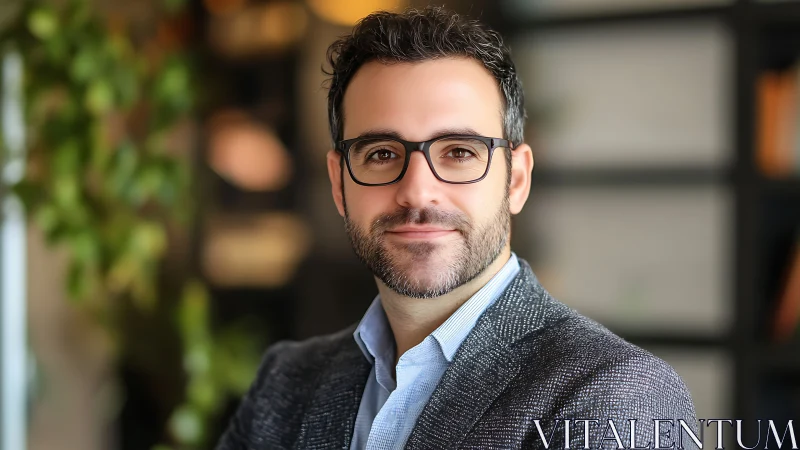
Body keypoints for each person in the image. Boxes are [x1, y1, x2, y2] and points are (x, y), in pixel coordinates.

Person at [216, 6, 699, 450]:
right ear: (339, 184)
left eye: (460, 152)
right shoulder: (285, 381)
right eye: (382, 154)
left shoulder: (614, 395)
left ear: (517, 179)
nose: (417, 192)